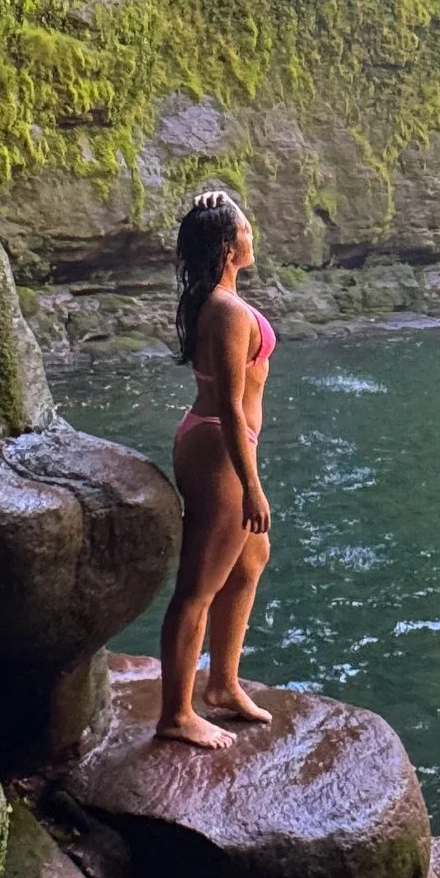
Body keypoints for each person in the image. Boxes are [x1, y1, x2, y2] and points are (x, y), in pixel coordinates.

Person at [154, 187, 276, 747]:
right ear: (230, 246)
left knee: (250, 559)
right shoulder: (226, 310)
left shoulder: (220, 298)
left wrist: (219, 196)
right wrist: (251, 486)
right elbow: (229, 404)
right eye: (245, 229)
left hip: (220, 443)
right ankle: (176, 715)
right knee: (199, 586)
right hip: (218, 448)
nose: (253, 235)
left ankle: (222, 684)